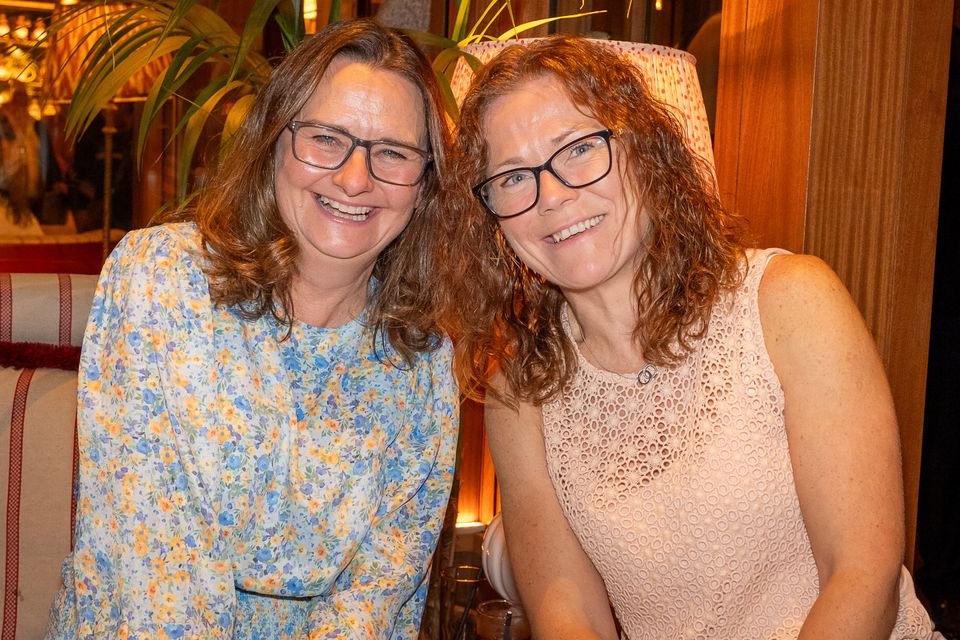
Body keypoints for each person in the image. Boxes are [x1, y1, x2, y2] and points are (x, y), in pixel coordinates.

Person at [440, 35, 943, 639]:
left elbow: (862, 574)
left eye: (577, 149)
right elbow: (566, 609)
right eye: (513, 177)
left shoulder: (789, 302)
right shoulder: (519, 389)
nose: (552, 195)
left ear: (645, 152)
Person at [47, 19, 458, 639]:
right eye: (326, 139)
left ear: (424, 183)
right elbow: (154, 575)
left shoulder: (422, 358)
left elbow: (377, 595)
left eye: (393, 153)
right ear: (274, 143)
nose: (354, 178)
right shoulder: (163, 280)